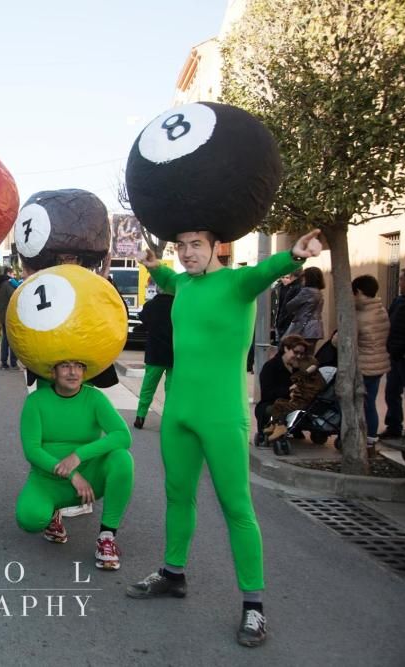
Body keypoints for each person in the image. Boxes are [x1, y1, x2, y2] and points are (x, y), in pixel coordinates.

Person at [126, 229, 323, 648]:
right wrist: (150, 261)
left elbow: (269, 269)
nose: (187, 253)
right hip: (178, 413)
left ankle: (254, 606)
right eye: (181, 246)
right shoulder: (180, 283)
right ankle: (173, 573)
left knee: (237, 507)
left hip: (222, 416)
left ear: (217, 247)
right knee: (177, 496)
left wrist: (294, 255)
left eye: (196, 244)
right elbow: (165, 277)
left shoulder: (238, 282)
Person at [16, 360, 133, 568]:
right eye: (65, 366)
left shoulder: (94, 397)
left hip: (89, 478)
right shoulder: (35, 401)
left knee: (122, 459)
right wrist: (72, 474)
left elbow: (123, 436)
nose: (73, 372)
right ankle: (53, 513)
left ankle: (107, 537)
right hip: (50, 480)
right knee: (29, 519)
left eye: (78, 366)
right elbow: (32, 451)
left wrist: (78, 455)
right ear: (52, 371)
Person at [352, 276, 390, 445]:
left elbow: (344, 341)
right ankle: (372, 437)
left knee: (359, 403)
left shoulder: (361, 315)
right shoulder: (380, 309)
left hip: (364, 364)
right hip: (379, 363)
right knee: (371, 402)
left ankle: (360, 436)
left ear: (359, 292)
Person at [265, 344, 325, 443]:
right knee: (279, 401)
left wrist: (296, 389)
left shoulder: (309, 378)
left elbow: (307, 391)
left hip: (303, 403)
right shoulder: (309, 377)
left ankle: (280, 426)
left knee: (280, 405)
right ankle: (274, 424)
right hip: (301, 400)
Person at [381, 267, 405, 439]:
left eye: (401, 279)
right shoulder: (399, 301)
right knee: (391, 392)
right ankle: (393, 426)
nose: (399, 282)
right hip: (394, 356)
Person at [133, 292, 174, 429]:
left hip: (154, 353)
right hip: (174, 354)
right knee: (171, 388)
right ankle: (168, 419)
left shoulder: (150, 306)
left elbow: (144, 322)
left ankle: (140, 416)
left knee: (148, 387)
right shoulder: (178, 305)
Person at [254, 335, 305, 444]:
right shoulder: (270, 367)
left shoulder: (299, 368)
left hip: (295, 403)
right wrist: (289, 390)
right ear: (286, 348)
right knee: (278, 408)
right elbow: (267, 394)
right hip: (271, 404)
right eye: (296, 352)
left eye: (301, 354)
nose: (299, 356)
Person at [283, 266, 325, 347]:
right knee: (309, 354)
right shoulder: (319, 292)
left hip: (304, 328)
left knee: (295, 352)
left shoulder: (307, 291)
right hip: (316, 328)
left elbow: (290, 305)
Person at [0, 268, 19, 370]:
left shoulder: (0, 285)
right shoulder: (8, 285)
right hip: (9, 316)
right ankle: (13, 363)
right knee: (12, 340)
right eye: (13, 274)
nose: (14, 276)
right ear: (8, 274)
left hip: (3, 315)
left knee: (6, 339)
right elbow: (15, 297)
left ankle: (4, 362)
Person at [272, 270, 302, 341]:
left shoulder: (295, 289)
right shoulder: (276, 289)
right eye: (283, 277)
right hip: (277, 320)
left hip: (288, 321)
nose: (285, 279)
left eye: (287, 277)